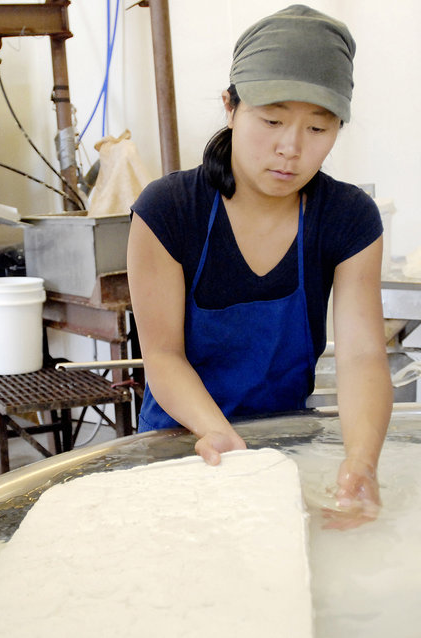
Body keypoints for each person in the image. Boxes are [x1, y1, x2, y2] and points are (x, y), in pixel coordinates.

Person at [127, 5, 392, 526]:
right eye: (271, 120)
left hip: (288, 446)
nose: (290, 149)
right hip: (182, 445)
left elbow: (362, 355)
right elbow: (161, 356)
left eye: (318, 128)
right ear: (230, 106)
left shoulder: (347, 217)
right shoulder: (168, 211)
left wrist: (361, 463)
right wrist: (220, 436)